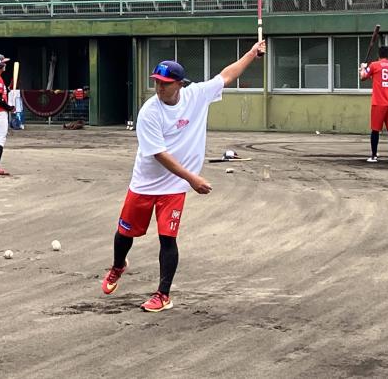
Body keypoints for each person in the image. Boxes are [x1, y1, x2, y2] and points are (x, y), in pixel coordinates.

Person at [101, 40, 266, 312]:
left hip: (174, 186)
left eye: (165, 83)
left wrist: (250, 53)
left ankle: (163, 295)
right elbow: (159, 154)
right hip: (146, 182)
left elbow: (226, 76)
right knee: (125, 234)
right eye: (157, 82)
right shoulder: (149, 112)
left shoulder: (196, 95)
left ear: (180, 84)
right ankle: (118, 266)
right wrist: (193, 178)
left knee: (168, 238)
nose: (159, 87)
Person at [360, 45, 388, 164]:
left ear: (379, 54)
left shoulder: (374, 65)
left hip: (379, 102)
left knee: (375, 130)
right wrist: (367, 71)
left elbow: (363, 77)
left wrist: (362, 68)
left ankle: (374, 156)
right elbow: (378, 78)